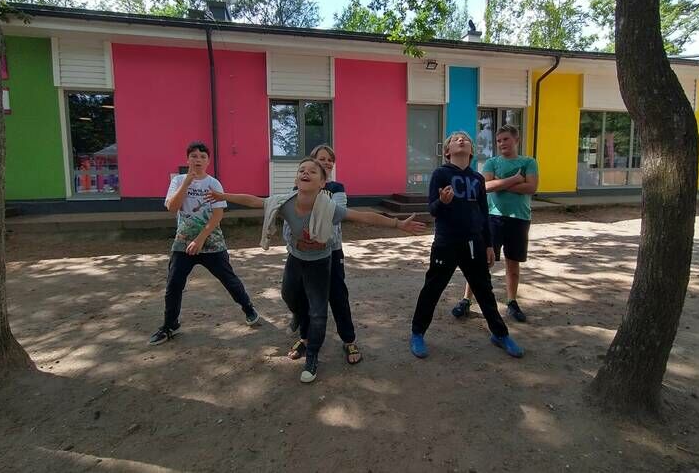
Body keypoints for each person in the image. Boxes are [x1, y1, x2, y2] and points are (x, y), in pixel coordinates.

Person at [207, 158, 425, 383]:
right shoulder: (285, 203)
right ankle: (300, 321)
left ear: (322, 183)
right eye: (302, 170)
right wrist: (223, 196)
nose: (305, 173)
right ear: (296, 179)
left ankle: (312, 355)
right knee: (288, 295)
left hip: (320, 264)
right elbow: (254, 201)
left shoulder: (329, 208)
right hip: (295, 259)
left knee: (318, 313)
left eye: (312, 171)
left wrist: (397, 224)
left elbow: (362, 216)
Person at [410, 131, 524, 359]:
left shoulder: (477, 178)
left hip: (474, 243)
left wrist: (488, 245)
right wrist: (442, 202)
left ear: (471, 151)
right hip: (446, 242)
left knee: (484, 290)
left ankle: (500, 334)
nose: (461, 140)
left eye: (466, 140)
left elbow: (483, 212)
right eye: (455, 139)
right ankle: (417, 333)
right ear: (447, 151)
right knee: (432, 289)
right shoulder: (441, 174)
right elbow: (432, 210)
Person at [149, 141, 259, 346]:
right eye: (194, 156)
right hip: (183, 242)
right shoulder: (178, 181)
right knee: (173, 285)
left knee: (229, 280)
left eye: (202, 156)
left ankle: (249, 308)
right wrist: (186, 184)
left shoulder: (213, 183)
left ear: (208, 161)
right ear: (187, 159)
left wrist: (200, 240)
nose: (198, 160)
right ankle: (170, 325)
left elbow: (218, 215)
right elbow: (172, 207)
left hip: (212, 242)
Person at [451, 124, 538, 322]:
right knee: (480, 263)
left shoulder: (528, 162)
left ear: (516, 140)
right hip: (492, 217)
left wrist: (501, 182)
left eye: (506, 139)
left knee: (513, 263)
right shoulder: (492, 162)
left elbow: (531, 187)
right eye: (499, 141)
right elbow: (485, 187)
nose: (502, 143)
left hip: (519, 218)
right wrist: (516, 179)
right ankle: (466, 300)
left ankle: (512, 302)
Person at [284, 145, 362, 365]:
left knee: (338, 295)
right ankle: (305, 337)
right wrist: (297, 240)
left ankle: (349, 339)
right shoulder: (300, 187)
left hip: (331, 251)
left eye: (330, 160)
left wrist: (320, 238)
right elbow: (290, 218)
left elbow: (335, 216)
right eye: (322, 159)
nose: (327, 162)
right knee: (303, 297)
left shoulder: (336, 188)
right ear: (313, 161)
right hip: (302, 252)